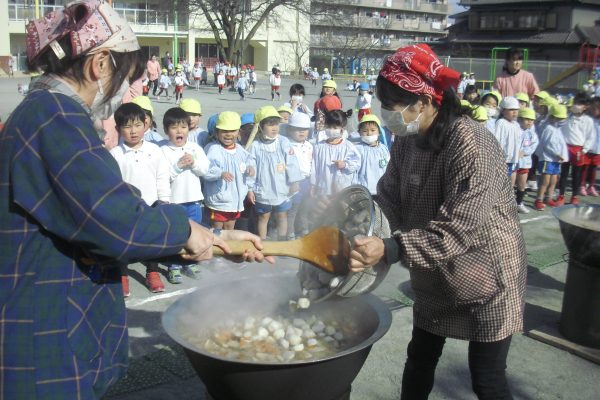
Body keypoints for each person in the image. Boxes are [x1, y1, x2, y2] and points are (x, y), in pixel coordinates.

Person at [0, 2, 269, 399]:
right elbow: (118, 223)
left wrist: (202, 241)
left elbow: (102, 209)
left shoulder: (41, 113)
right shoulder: (56, 117)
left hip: (53, 316)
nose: (128, 91)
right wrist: (185, 231)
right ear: (100, 64)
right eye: (126, 78)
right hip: (46, 335)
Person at [349, 44, 527, 400]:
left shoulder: (471, 144)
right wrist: (355, 219)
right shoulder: (406, 139)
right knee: (419, 360)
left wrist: (390, 248)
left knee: (487, 378)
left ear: (424, 101)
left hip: (488, 278)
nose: (385, 115)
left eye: (392, 106)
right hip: (435, 274)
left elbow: (460, 227)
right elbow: (389, 199)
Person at [110, 103, 170, 294]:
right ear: (118, 129)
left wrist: (164, 200)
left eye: (137, 125)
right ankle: (122, 274)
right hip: (125, 208)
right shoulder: (115, 154)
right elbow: (113, 184)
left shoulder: (154, 151)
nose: (133, 131)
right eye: (127, 126)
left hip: (152, 205)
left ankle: (152, 272)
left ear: (145, 125)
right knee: (123, 243)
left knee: (152, 242)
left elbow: (162, 177)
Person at [160, 107, 210, 283]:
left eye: (183, 127)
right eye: (174, 127)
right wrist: (178, 166)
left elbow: (205, 170)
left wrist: (194, 162)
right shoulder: (163, 151)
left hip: (194, 201)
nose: (179, 131)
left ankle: (190, 262)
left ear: (189, 129)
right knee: (175, 235)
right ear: (166, 131)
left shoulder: (195, 148)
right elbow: (163, 176)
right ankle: (174, 265)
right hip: (174, 202)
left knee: (192, 234)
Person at [247, 106, 302, 240]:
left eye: (276, 124)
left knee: (282, 215)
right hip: (263, 188)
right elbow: (250, 169)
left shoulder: (283, 142)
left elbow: (292, 162)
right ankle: (262, 241)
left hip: (282, 187)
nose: (274, 128)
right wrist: (250, 188)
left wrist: (294, 181)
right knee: (263, 216)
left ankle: (282, 239)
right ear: (260, 126)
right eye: (270, 124)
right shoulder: (255, 146)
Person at [203, 112, 256, 231]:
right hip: (219, 200)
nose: (228, 134)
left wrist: (250, 168)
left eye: (232, 131)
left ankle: (229, 248)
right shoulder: (213, 149)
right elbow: (206, 170)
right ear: (217, 132)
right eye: (224, 131)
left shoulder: (240, 150)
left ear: (238, 132)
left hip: (236, 200)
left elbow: (249, 161)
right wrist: (219, 173)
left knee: (230, 227)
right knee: (217, 229)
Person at [310, 109, 361, 197]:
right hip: (324, 189)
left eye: (335, 127)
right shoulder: (319, 146)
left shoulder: (348, 146)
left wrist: (345, 164)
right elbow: (314, 167)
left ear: (342, 128)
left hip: (342, 189)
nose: (331, 130)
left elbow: (356, 163)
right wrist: (313, 185)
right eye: (329, 126)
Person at [556, 92, 595, 204]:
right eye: (575, 103)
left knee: (576, 174)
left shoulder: (588, 120)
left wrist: (583, 151)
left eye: (580, 103)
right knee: (563, 173)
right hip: (565, 147)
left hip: (578, 150)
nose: (576, 105)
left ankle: (574, 196)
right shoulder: (567, 116)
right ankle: (561, 195)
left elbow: (590, 137)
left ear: (586, 106)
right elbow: (560, 129)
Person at [534, 104, 569, 210]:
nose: (561, 120)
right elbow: (547, 144)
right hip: (547, 159)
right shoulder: (548, 128)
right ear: (553, 117)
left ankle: (549, 198)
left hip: (556, 160)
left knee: (554, 180)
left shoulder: (557, 128)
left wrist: (563, 156)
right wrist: (557, 154)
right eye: (559, 118)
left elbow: (561, 144)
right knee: (545, 181)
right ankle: (539, 199)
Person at [286, 112, 313, 239]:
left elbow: (313, 165)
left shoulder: (309, 145)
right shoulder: (286, 145)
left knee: (305, 208)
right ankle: (290, 232)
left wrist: (313, 183)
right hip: (293, 182)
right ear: (290, 130)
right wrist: (292, 182)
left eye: (304, 129)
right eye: (297, 129)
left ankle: (304, 230)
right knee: (292, 209)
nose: (301, 132)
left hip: (307, 181)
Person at [353, 114, 390, 195]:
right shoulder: (357, 149)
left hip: (383, 191)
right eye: (365, 131)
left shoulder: (383, 148)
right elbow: (353, 171)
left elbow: (388, 168)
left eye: (373, 130)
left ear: (379, 132)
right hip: (365, 192)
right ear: (359, 133)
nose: (369, 133)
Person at [493, 96, 522, 185]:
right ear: (503, 111)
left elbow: (519, 140)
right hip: (502, 159)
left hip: (511, 158)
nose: (514, 112)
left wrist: (519, 151)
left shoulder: (516, 125)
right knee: (500, 179)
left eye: (516, 110)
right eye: (511, 110)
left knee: (508, 178)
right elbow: (497, 139)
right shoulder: (501, 123)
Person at [515, 108, 539, 213]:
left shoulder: (532, 134)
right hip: (513, 162)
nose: (529, 122)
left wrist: (524, 152)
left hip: (524, 163)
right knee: (509, 184)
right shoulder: (514, 129)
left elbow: (533, 146)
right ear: (519, 119)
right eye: (527, 119)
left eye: (532, 120)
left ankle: (519, 203)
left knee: (522, 184)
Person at [581, 96, 600, 196]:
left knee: (594, 168)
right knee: (585, 167)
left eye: (596, 108)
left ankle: (591, 186)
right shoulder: (588, 119)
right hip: (588, 148)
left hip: (597, 149)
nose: (594, 110)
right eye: (592, 108)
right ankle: (582, 185)